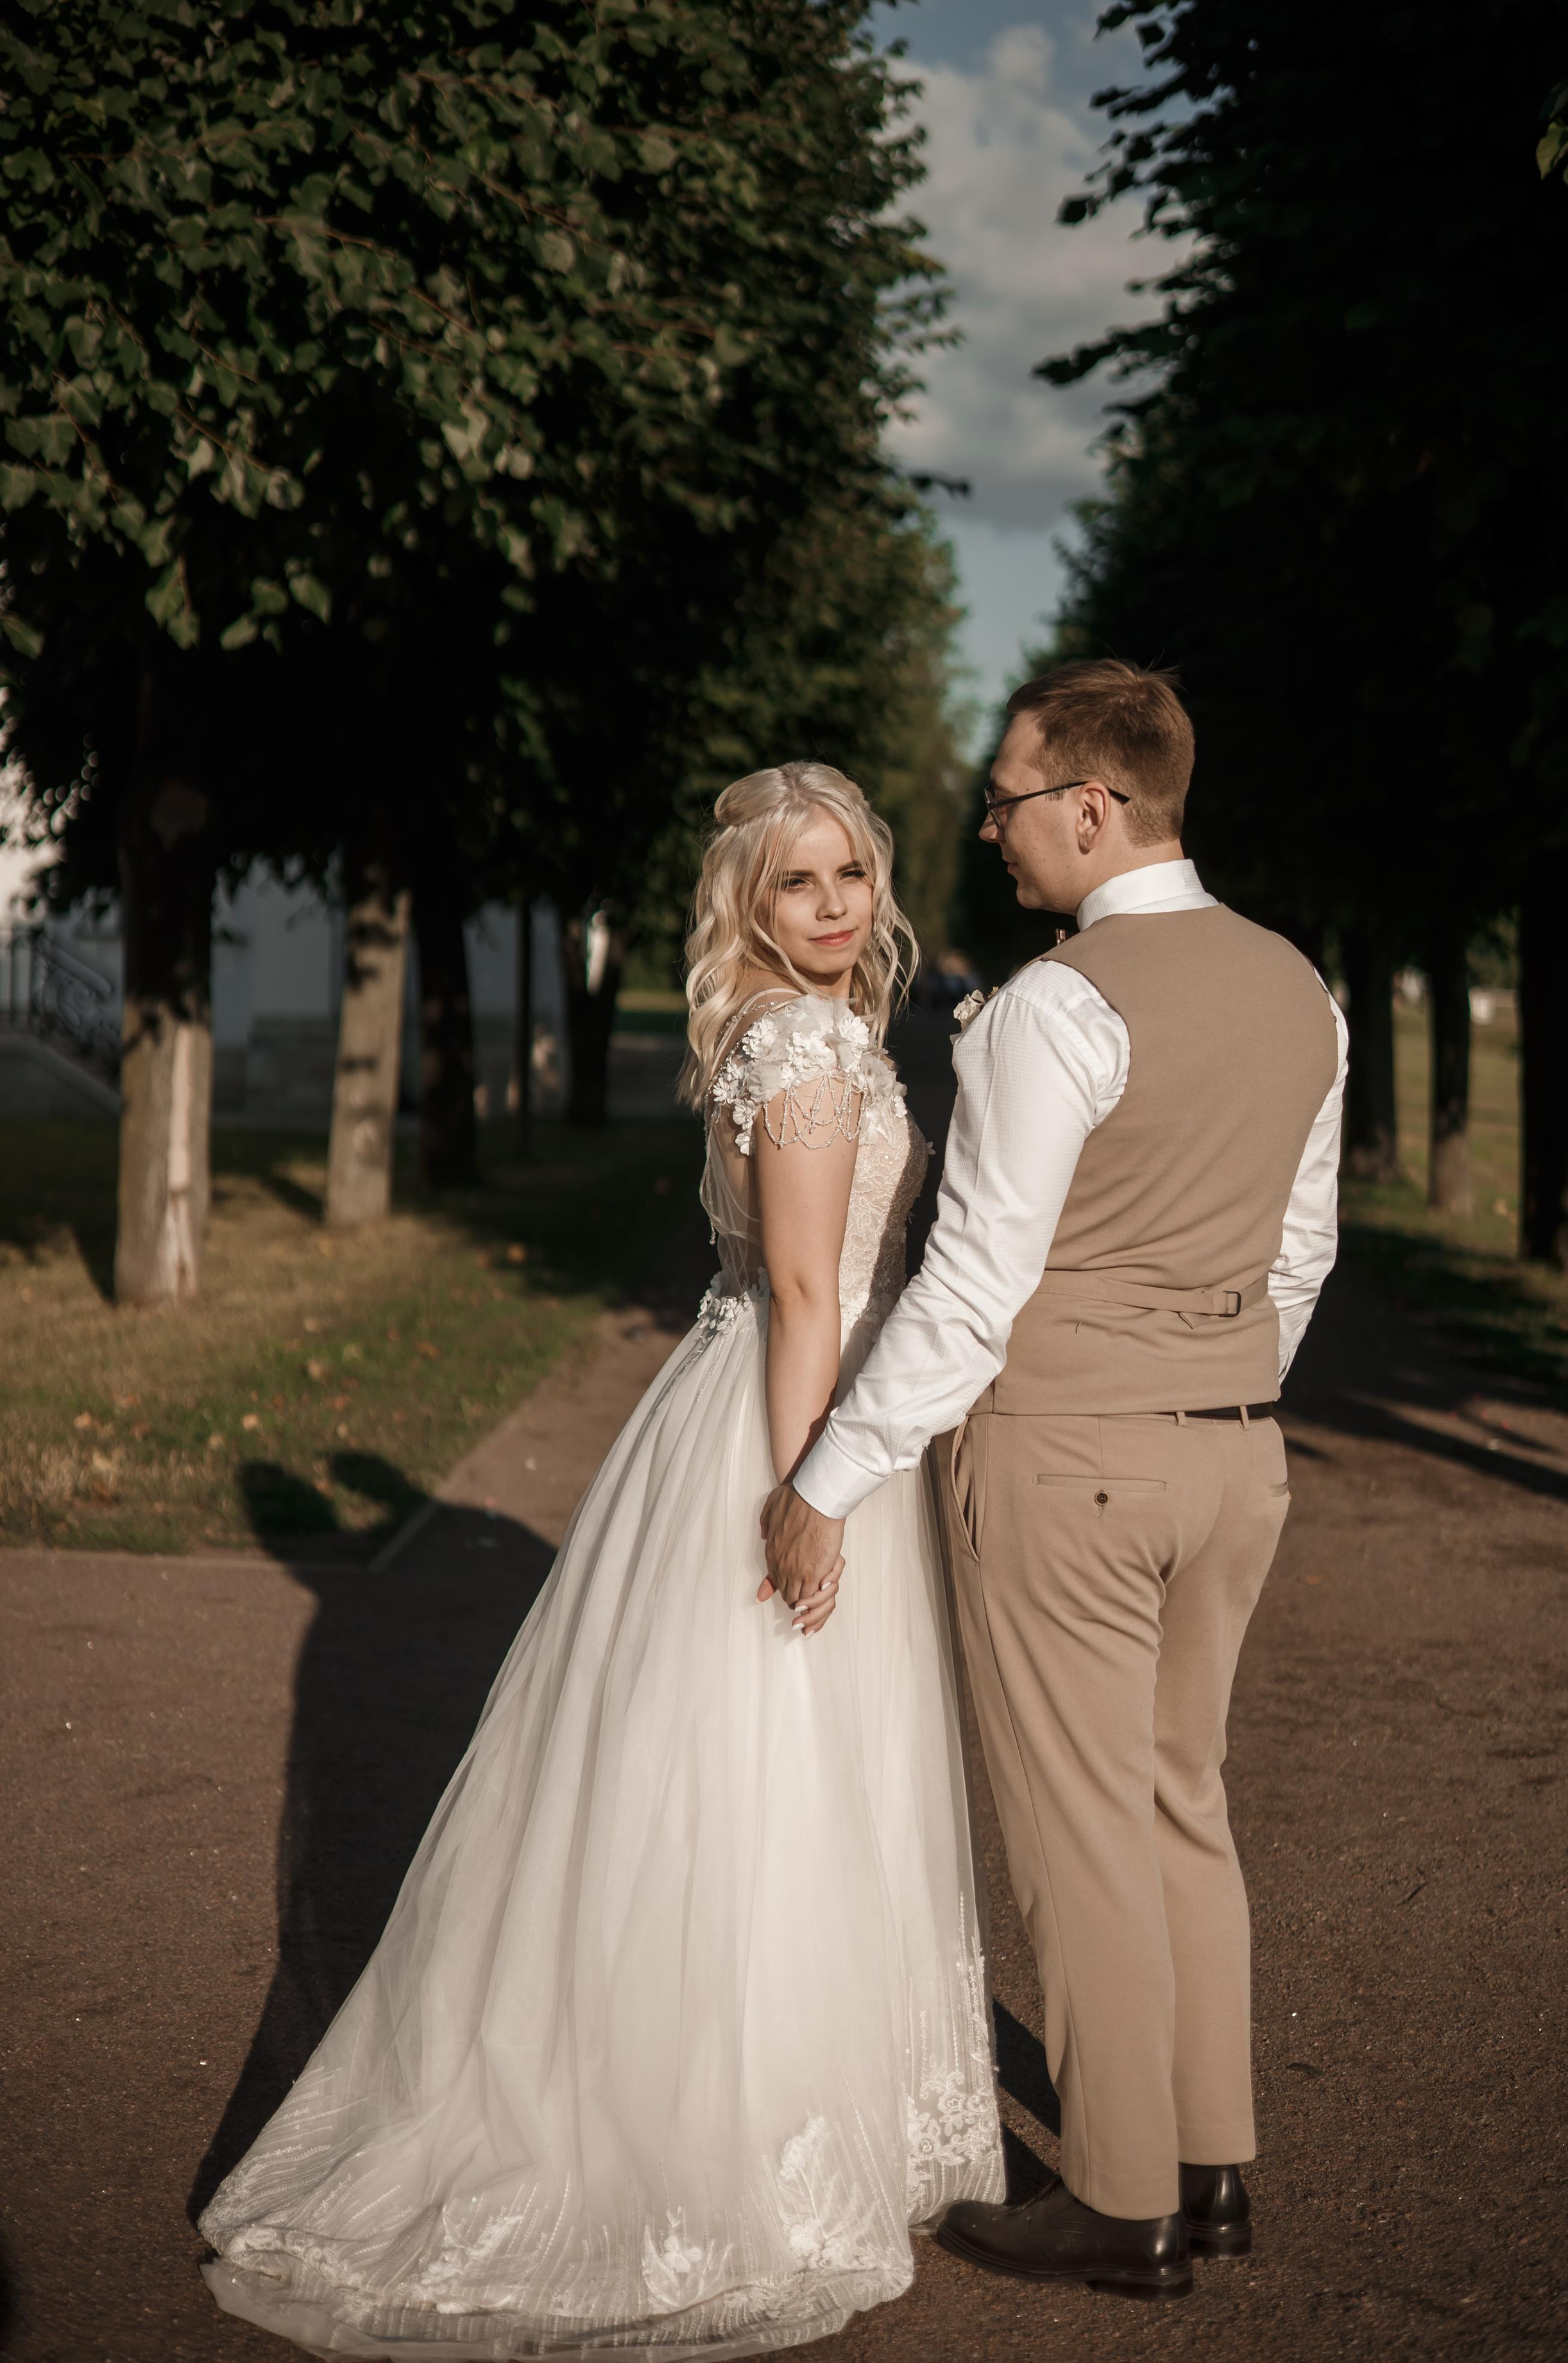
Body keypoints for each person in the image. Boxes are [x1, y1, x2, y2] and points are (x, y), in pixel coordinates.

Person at [200, 763, 1003, 2357]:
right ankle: (726, 2120)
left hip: (772, 1405)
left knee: (750, 1777)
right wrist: (809, 1494)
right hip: (787, 1420)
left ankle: (791, 2093)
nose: (836, 906)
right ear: (748, 907)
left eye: (851, 874)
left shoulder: (792, 1033)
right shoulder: (804, 1042)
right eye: (798, 885)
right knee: (764, 1763)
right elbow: (798, 1287)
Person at [763, 661, 1347, 2304]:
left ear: (1093, 805)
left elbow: (970, 1288)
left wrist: (833, 1473)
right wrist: (1207, 1384)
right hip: (1235, 1453)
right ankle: (1211, 2161)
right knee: (1181, 1800)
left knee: (1082, 1827)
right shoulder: (1303, 990)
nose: (992, 825)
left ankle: (1115, 2193)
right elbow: (1295, 1257)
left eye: (1010, 795)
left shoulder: (1053, 1009)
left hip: (1065, 1461)